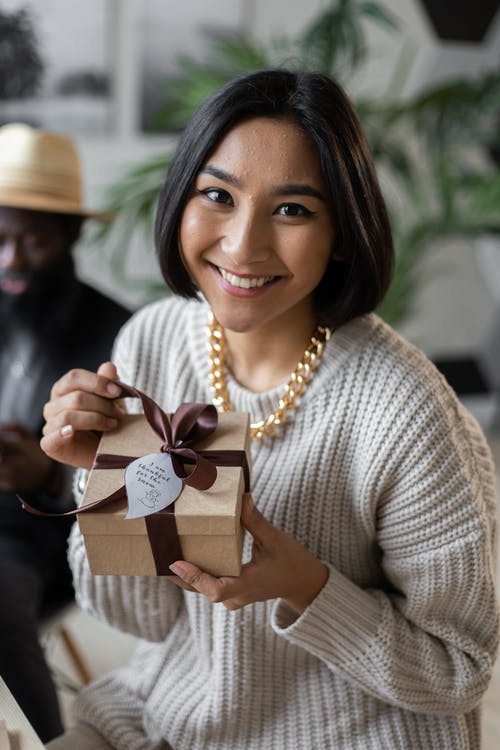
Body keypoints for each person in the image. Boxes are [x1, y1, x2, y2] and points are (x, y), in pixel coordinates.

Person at [41, 70, 498, 750]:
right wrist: (100, 480)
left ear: (342, 232)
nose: (243, 245)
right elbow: (141, 619)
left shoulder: (405, 410)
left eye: (292, 210)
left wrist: (310, 587)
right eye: (218, 195)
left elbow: (459, 672)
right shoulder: (154, 342)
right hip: (185, 711)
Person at [0, 123, 130, 742]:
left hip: (47, 540)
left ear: (72, 234)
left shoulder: (118, 336)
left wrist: (50, 474)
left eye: (32, 242)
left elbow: (138, 489)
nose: (12, 261)